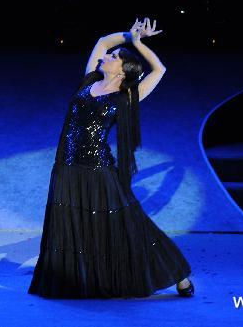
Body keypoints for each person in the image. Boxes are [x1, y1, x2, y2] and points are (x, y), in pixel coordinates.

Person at [28, 18, 195, 298]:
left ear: (122, 71)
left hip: (99, 170)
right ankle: (77, 279)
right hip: (67, 167)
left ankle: (178, 274)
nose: (106, 56)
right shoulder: (91, 78)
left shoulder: (126, 96)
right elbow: (102, 42)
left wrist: (138, 44)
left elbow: (160, 69)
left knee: (130, 224)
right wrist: (128, 36)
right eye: (109, 55)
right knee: (74, 226)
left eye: (114, 57)